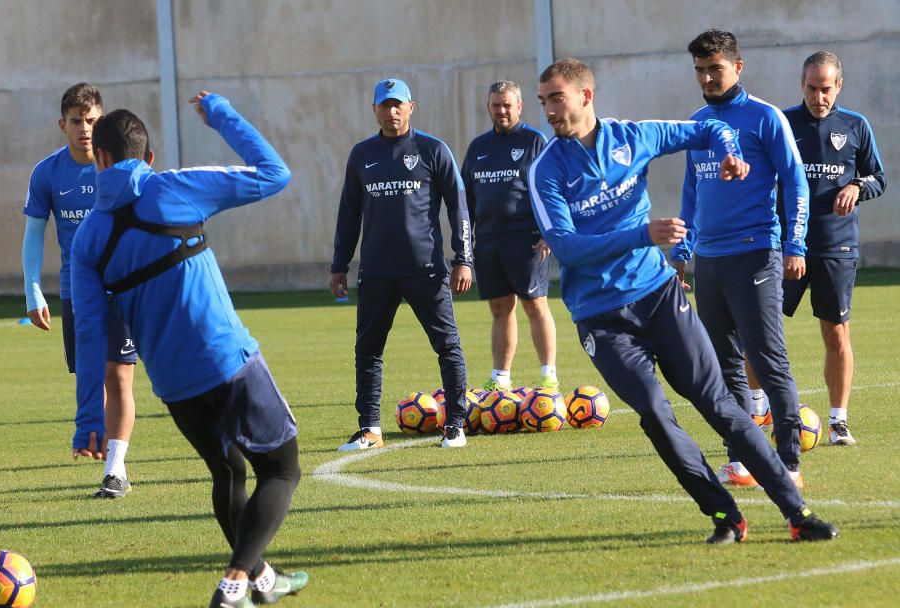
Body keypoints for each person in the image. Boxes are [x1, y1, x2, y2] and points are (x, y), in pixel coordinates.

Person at [529, 57, 837, 543]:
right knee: (654, 413)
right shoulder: (546, 169)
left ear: (586, 96)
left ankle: (797, 513)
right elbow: (566, 249)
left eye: (555, 98)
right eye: (543, 100)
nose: (547, 109)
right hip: (601, 319)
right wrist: (642, 234)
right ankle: (725, 516)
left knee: (718, 403)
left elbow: (710, 129)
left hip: (659, 296)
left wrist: (732, 152)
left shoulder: (635, 136)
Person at [70, 92, 306, 607]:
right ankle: (236, 579)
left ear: (101, 159)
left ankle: (263, 581)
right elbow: (275, 172)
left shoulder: (88, 237)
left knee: (227, 473)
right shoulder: (174, 187)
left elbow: (90, 333)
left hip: (174, 385)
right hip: (229, 362)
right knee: (282, 469)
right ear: (148, 158)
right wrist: (221, 114)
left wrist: (89, 417)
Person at [669, 30, 809, 489]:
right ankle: (741, 458)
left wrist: (795, 244)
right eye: (700, 71)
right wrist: (682, 250)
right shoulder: (696, 123)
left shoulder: (765, 118)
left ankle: (788, 461)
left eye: (716, 68)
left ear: (738, 67)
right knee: (723, 364)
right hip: (709, 259)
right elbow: (692, 190)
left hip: (756, 255)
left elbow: (796, 183)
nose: (708, 77)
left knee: (768, 360)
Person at [331, 78, 474, 450]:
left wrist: (464, 259)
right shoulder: (362, 155)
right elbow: (348, 215)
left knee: (447, 345)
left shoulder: (432, 149)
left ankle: (456, 424)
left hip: (426, 269)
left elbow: (459, 207)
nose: (391, 112)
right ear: (374, 109)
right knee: (369, 350)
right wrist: (339, 266)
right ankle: (370, 430)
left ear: (412, 106)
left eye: (398, 105)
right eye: (384, 105)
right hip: (377, 270)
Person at [21, 83, 138, 498]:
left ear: (101, 122)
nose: (84, 129)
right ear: (62, 124)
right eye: (76, 121)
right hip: (76, 292)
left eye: (91, 121)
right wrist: (33, 291)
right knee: (91, 374)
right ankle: (107, 457)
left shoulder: (122, 167)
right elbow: (34, 234)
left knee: (119, 375)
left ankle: (116, 469)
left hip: (122, 287)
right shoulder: (47, 173)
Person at [775, 51, 887, 445]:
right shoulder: (783, 124)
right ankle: (757, 412)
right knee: (760, 331)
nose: (818, 97)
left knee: (836, 334)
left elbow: (878, 176)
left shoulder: (855, 126)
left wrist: (857, 186)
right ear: (801, 84)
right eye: (811, 88)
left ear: (838, 86)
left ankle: (839, 421)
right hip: (786, 246)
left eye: (826, 89)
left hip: (836, 248)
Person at [461, 80, 557, 392]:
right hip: (488, 242)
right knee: (500, 310)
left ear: (519, 106)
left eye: (507, 105)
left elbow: (551, 188)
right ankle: (501, 377)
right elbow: (466, 200)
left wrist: (549, 232)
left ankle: (548, 375)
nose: (501, 110)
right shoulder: (478, 147)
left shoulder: (534, 141)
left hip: (526, 239)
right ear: (488, 107)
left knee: (535, 305)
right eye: (495, 105)